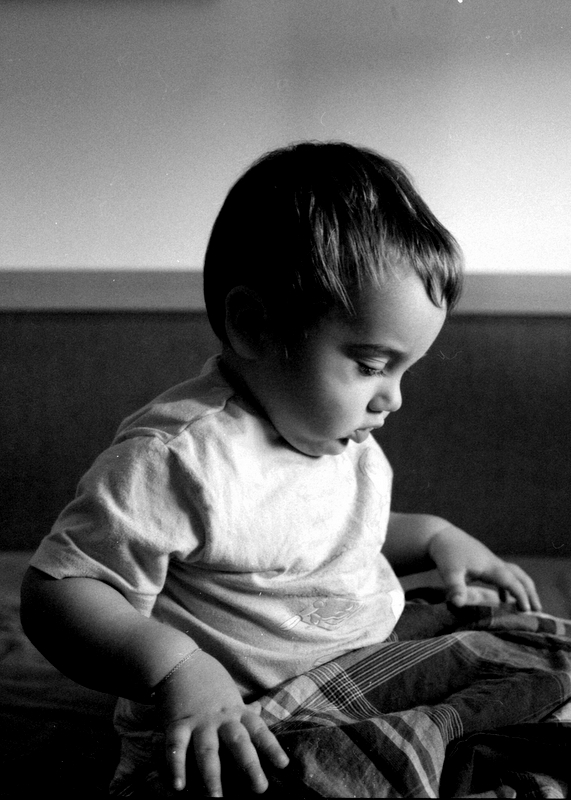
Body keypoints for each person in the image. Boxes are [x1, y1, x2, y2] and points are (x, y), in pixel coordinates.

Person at [20, 141, 541, 798]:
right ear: (254, 327)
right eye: (372, 365)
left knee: (533, 654)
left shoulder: (333, 432)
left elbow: (326, 545)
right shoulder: (181, 456)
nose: (392, 398)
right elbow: (58, 591)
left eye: (404, 371)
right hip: (251, 718)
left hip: (364, 666)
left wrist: (437, 535)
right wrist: (177, 667)